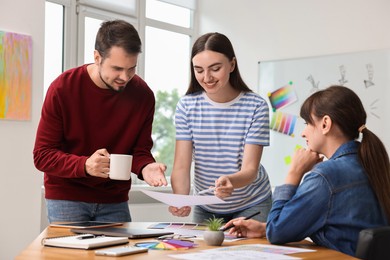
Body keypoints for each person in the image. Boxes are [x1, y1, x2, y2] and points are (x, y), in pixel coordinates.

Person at [224, 85, 390, 256]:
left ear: (325, 124)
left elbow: (276, 232)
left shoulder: (326, 176)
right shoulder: (371, 163)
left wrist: (294, 173)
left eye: (308, 123)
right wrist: (263, 228)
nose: (303, 133)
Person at [33, 20, 167, 223]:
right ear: (97, 57)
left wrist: (146, 167)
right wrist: (85, 165)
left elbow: (139, 151)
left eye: (131, 68)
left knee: (121, 254)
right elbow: (42, 156)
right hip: (67, 198)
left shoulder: (143, 95)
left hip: (115, 200)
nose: (125, 77)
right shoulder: (62, 89)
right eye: (117, 68)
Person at [168, 32, 272, 224]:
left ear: (232, 65)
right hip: (206, 205)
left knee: (246, 253)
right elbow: (182, 165)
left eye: (215, 68)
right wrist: (181, 198)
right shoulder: (187, 106)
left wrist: (231, 181)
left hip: (252, 202)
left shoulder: (256, 106)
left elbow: (250, 169)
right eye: (198, 70)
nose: (206, 77)